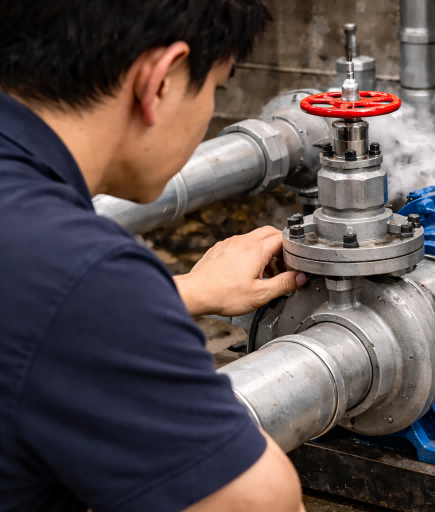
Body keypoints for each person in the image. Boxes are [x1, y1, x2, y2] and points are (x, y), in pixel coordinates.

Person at [0, 1, 308, 511]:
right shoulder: (82, 275)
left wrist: (186, 292)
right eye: (216, 89)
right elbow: (261, 501)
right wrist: (131, 305)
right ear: (159, 81)